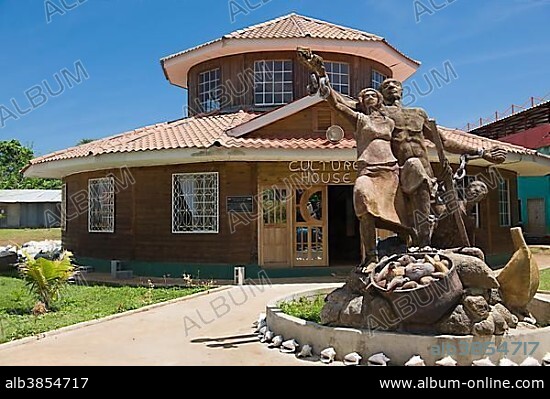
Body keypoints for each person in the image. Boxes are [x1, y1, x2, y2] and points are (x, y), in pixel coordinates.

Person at [298, 49, 413, 265]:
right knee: (362, 200)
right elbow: (337, 104)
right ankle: (370, 256)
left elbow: (407, 140)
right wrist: (321, 73)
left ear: (379, 100)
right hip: (368, 170)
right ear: (361, 101)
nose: (369, 97)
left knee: (403, 215)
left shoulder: (390, 122)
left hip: (391, 170)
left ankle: (409, 249)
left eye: (373, 94)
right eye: (365, 95)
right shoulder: (359, 119)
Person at [378, 79, 507, 247]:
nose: (391, 87)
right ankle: (416, 247)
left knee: (438, 217)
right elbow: (350, 106)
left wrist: (481, 152)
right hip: (400, 174)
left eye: (395, 84)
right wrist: (331, 93)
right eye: (386, 86)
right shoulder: (380, 114)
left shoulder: (418, 113)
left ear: (402, 91)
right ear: (381, 93)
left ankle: (428, 248)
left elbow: (444, 141)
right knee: (409, 216)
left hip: (427, 175)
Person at [432, 180, 489, 248]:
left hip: (459, 249)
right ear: (467, 191)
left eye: (479, 193)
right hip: (443, 246)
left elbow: (470, 242)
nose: (475, 194)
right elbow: (439, 229)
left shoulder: (471, 219)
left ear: (481, 198)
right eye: (474, 190)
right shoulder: (455, 207)